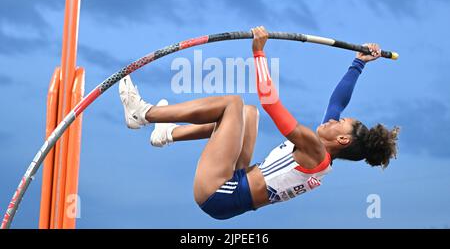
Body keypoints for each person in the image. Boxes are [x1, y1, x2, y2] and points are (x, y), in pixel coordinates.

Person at [119, 26, 399, 220]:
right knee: (247, 114)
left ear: (343, 140)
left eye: (341, 123)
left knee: (232, 104)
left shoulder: (315, 149)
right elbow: (338, 102)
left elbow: (273, 104)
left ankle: (143, 113)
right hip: (237, 186)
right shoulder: (325, 151)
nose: (334, 118)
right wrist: (358, 63)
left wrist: (258, 52)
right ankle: (168, 133)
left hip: (219, 193)